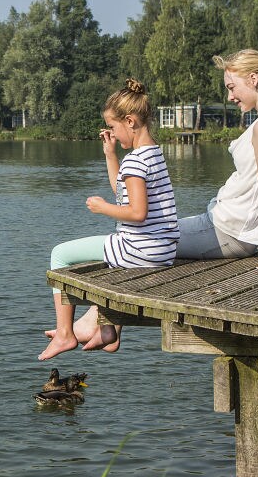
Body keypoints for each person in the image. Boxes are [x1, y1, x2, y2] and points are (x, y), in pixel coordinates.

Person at [66, 50, 258, 346]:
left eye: (231, 87)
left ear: (254, 79)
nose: (231, 96)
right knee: (147, 237)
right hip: (241, 233)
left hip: (227, 229)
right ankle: (108, 326)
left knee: (148, 242)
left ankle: (97, 321)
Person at [39, 79, 179, 361]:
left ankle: (66, 333)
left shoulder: (135, 161)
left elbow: (137, 213)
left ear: (130, 121)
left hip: (140, 250)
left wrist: (103, 208)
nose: (113, 133)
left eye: (114, 127)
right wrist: (110, 154)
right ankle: (108, 330)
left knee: (60, 255)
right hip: (163, 250)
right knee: (110, 254)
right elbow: (123, 192)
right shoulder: (153, 154)